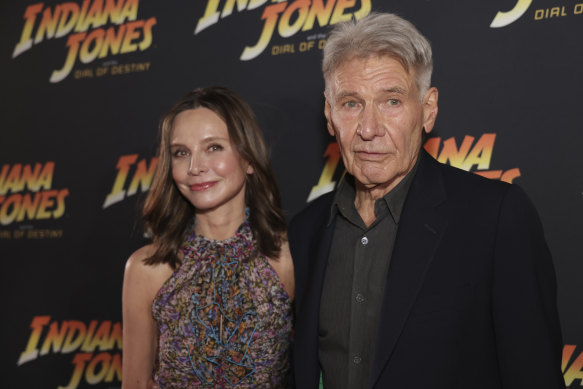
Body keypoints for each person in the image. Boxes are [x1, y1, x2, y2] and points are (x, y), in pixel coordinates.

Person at [289, 13, 565, 389]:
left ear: (428, 110)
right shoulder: (303, 233)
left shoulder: (495, 217)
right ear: (329, 113)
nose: (368, 129)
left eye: (391, 101)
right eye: (351, 103)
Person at [122, 86, 294, 388]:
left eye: (213, 147)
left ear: (249, 158)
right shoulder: (147, 268)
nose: (195, 167)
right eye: (181, 153)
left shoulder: (287, 257)